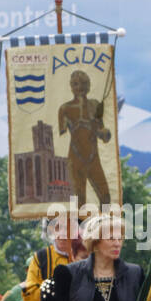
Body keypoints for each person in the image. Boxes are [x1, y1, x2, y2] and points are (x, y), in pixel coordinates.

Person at [57, 69, 112, 207]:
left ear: (88, 86)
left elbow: (104, 136)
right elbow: (60, 135)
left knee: (105, 197)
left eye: (83, 83)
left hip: (93, 158)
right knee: (79, 201)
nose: (80, 87)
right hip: (75, 159)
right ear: (71, 87)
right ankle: (80, 228)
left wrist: (103, 133)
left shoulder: (94, 105)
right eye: (76, 84)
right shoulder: (65, 109)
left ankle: (103, 225)